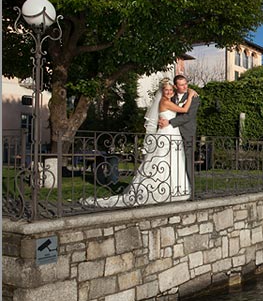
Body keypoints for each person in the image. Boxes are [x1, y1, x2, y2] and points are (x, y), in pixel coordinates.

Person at [82, 79, 198, 207]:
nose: (169, 92)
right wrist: (191, 95)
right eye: (166, 90)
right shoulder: (164, 102)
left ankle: (175, 188)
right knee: (162, 160)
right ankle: (159, 189)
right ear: (162, 91)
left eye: (171, 90)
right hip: (167, 133)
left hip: (173, 132)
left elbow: (182, 113)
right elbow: (184, 110)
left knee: (174, 160)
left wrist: (168, 120)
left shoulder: (170, 100)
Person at [158, 74, 200, 186]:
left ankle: (191, 189)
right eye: (181, 85)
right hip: (172, 132)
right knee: (172, 159)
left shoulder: (194, 97)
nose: (185, 87)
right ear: (176, 86)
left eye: (186, 84)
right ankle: (172, 185)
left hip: (187, 132)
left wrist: (170, 122)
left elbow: (188, 116)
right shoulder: (171, 95)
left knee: (188, 160)